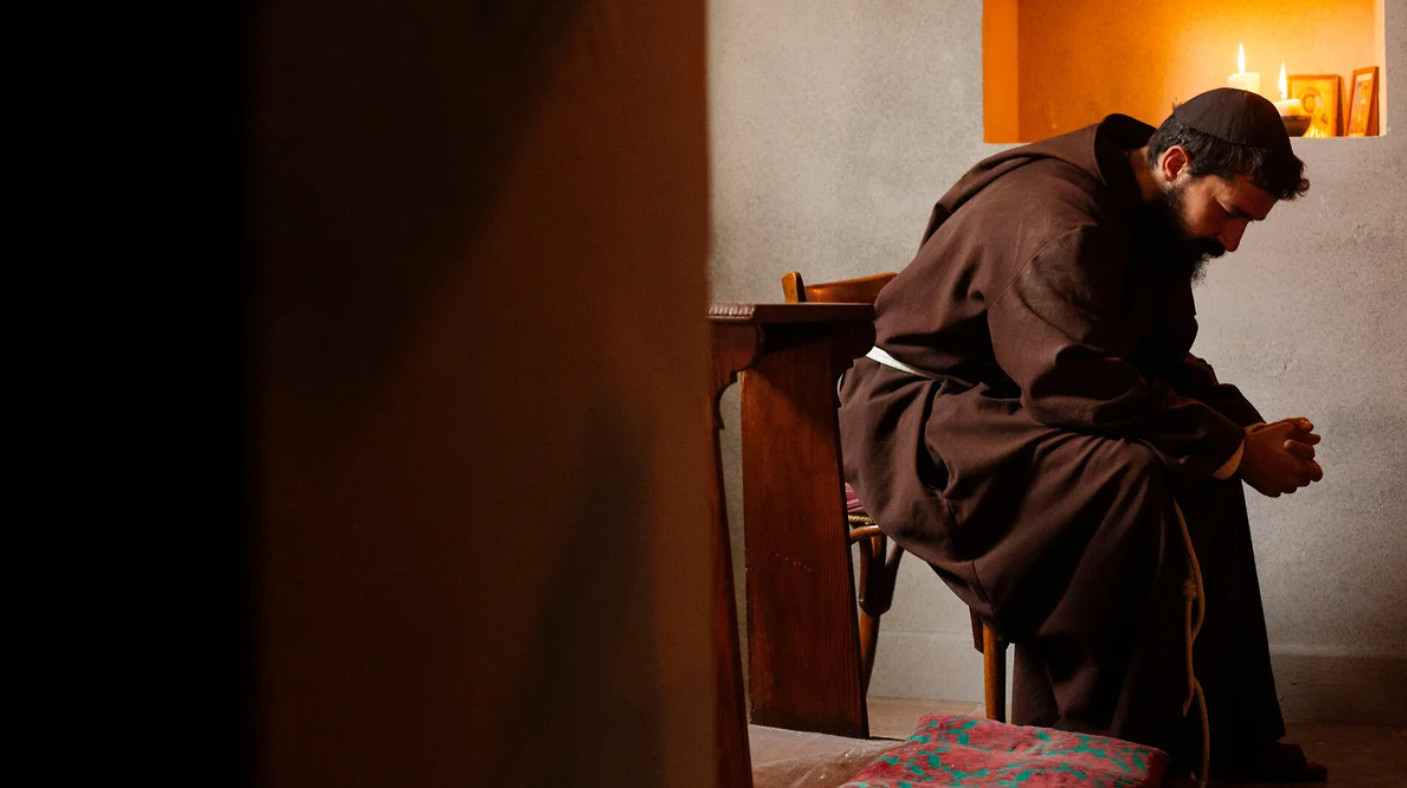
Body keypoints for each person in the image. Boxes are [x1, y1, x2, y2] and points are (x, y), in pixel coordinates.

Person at [837, 88, 1326, 781]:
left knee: (1203, 471)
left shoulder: (1138, 206)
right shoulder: (1056, 216)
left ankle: (1224, 746)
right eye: (1229, 211)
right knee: (1121, 478)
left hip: (1007, 401)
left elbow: (1153, 360)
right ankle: (1100, 747)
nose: (1231, 240)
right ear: (1176, 164)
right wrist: (1237, 449)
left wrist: (1244, 432)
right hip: (922, 420)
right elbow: (1072, 381)